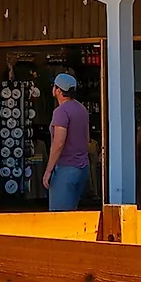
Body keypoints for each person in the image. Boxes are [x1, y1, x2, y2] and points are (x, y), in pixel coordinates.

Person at [40, 73, 92, 212]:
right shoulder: (82, 109)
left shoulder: (61, 111)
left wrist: (48, 170)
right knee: (72, 214)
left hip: (65, 169)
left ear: (58, 90)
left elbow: (58, 143)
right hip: (82, 168)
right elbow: (87, 138)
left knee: (60, 219)